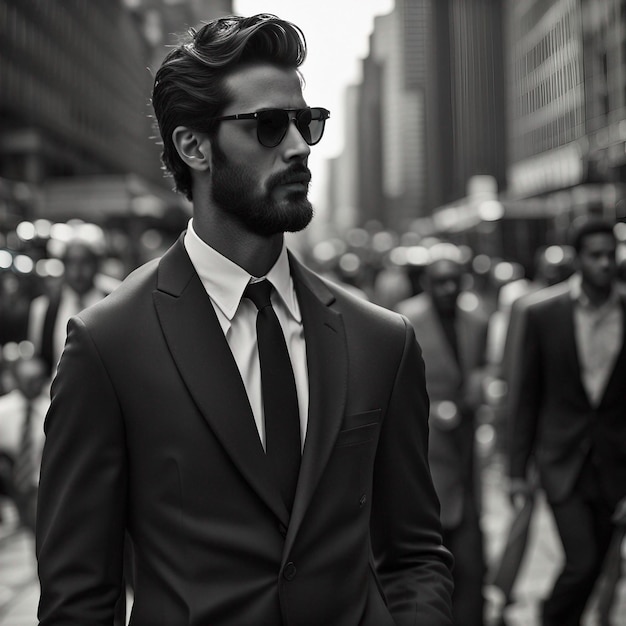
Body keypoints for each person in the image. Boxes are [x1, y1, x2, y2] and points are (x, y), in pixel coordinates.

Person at [36, 14, 454, 626]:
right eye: (268, 126)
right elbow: (78, 597)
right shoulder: (108, 345)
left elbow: (414, 553)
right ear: (193, 147)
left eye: (305, 123)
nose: (298, 146)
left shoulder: (380, 339)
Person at [508, 216, 626, 626]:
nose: (606, 264)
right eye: (596, 256)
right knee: (582, 560)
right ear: (578, 260)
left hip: (615, 465)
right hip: (561, 460)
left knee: (595, 565)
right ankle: (551, 616)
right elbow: (526, 395)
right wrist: (516, 470)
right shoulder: (543, 313)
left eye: (612, 255)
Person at [395, 243, 489, 626]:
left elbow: (481, 369)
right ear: (426, 284)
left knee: (470, 552)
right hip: (426, 448)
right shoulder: (405, 319)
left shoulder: (477, 319)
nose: (449, 289)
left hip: (465, 447)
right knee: (433, 543)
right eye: (440, 282)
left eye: (454, 281)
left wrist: (479, 388)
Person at [28, 225, 110, 377]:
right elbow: (39, 360)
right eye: (71, 262)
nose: (78, 271)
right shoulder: (44, 308)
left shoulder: (114, 301)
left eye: (85, 262)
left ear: (97, 263)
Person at [0, 352, 49, 533]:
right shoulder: (2, 411)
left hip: (41, 489)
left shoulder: (51, 410)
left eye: (38, 378)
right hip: (9, 490)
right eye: (28, 379)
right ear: (17, 379)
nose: (34, 384)